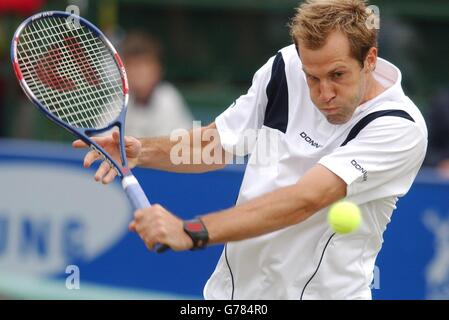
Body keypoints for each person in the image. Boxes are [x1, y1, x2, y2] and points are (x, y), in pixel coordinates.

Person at [73, 0, 427, 299]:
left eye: (337, 75)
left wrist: (192, 231)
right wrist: (141, 151)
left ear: (369, 59)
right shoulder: (284, 68)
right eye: (312, 77)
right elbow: (217, 144)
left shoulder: (399, 127)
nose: (323, 93)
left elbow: (305, 199)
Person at [120, 31, 193, 137]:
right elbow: (101, 146)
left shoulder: (169, 98)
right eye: (133, 66)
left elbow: (183, 146)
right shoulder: (117, 103)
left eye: (145, 65)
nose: (140, 73)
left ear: (159, 69)